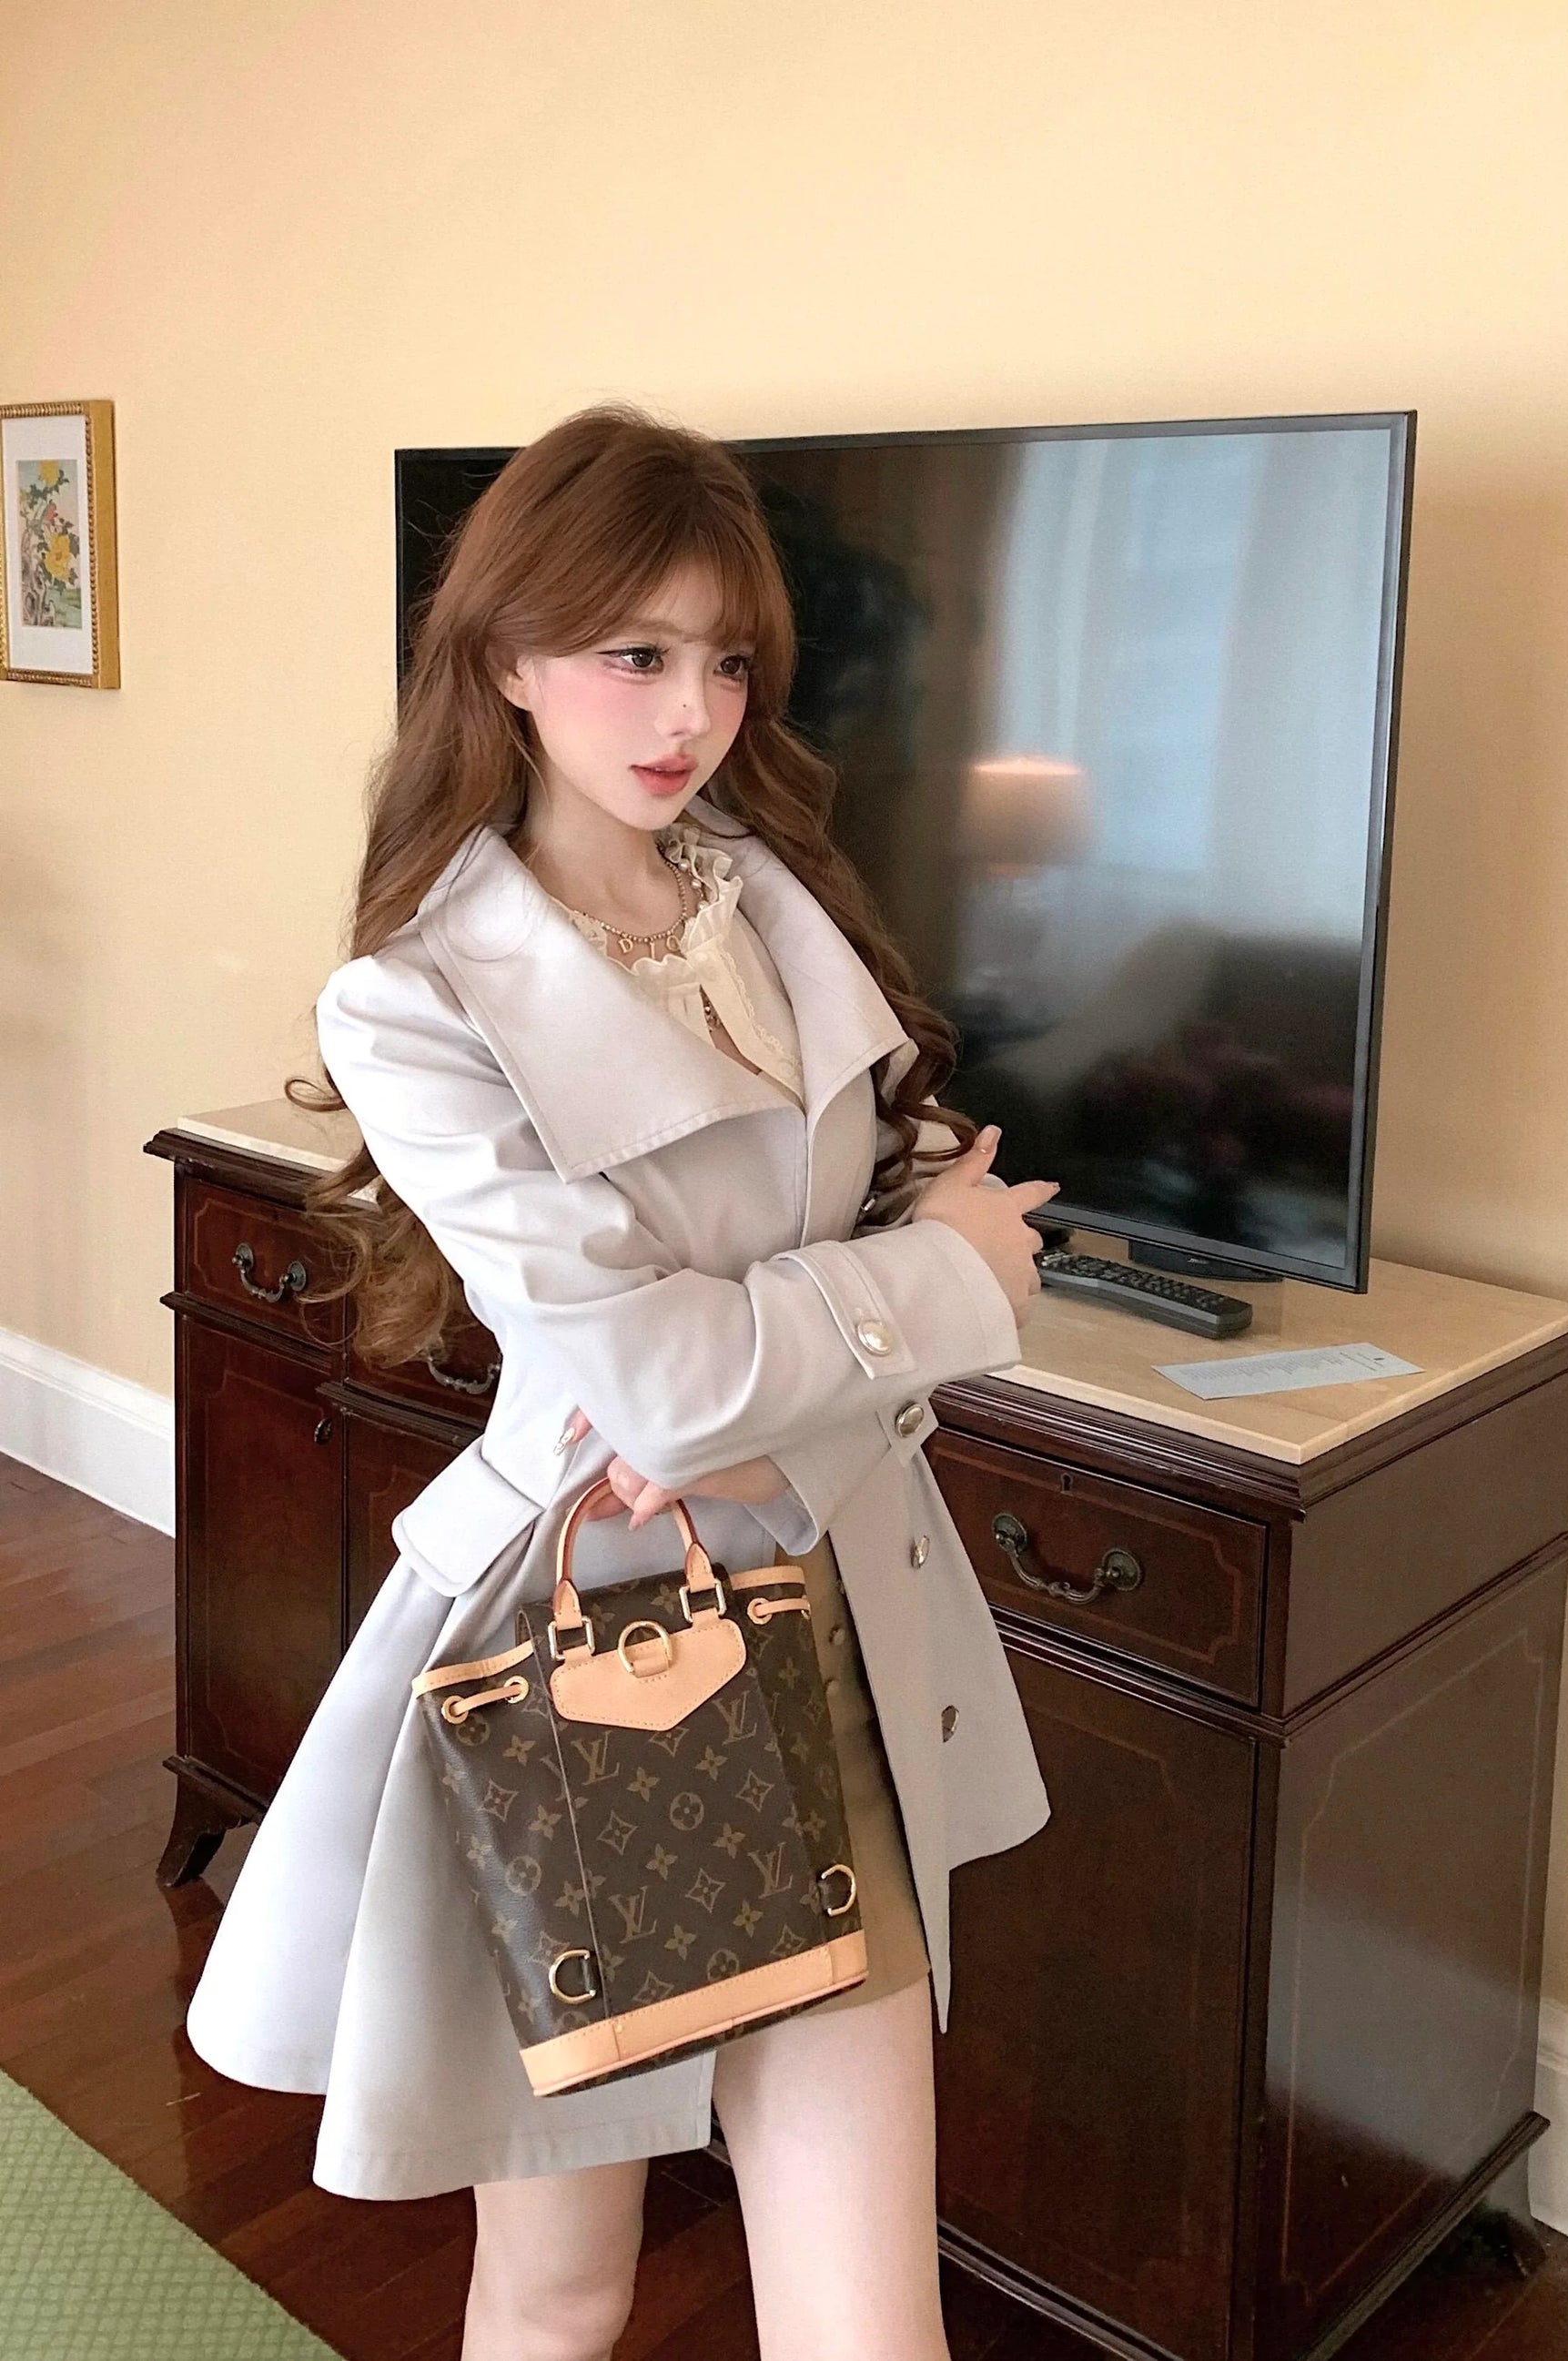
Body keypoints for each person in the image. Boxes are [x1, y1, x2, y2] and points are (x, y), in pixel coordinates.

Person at [183, 401, 1061, 2361]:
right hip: (581, 1641)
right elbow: (661, 1388)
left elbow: (823, 1240)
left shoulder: (764, 890)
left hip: (832, 1607)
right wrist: (933, 1282)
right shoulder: (416, 996)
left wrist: (829, 1325)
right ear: (504, 657)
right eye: (632, 653)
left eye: (726, 660)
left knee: (866, 2318)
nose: (690, 714)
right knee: (558, 2283)